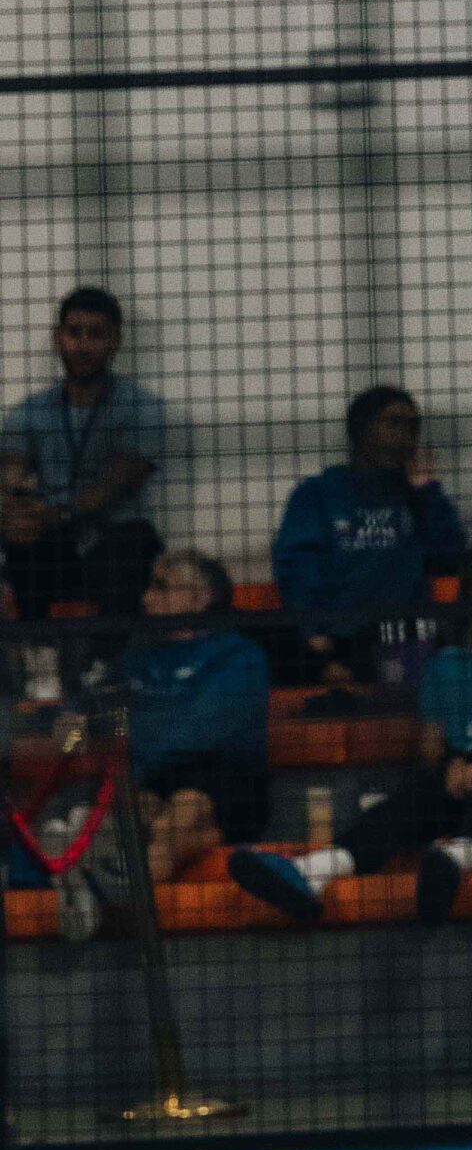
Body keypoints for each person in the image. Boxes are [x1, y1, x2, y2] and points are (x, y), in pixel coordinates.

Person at [232, 516, 472, 927]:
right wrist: (450, 766)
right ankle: (314, 871)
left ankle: (460, 857)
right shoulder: (447, 664)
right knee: (416, 797)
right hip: (469, 768)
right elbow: (429, 750)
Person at [0, 288, 169, 685]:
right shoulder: (31, 411)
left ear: (115, 341)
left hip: (113, 541)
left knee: (131, 543)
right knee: (22, 541)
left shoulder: (141, 408)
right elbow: (10, 472)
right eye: (75, 332)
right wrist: (14, 510)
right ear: (58, 338)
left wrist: (58, 513)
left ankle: (106, 669)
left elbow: (119, 480)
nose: (83, 344)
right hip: (53, 542)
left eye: (96, 334)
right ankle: (39, 658)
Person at [271, 386, 466, 693]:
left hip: (405, 637)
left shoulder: (417, 494)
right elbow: (298, 566)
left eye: (413, 426)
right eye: (394, 423)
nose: (406, 435)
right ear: (361, 429)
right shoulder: (319, 493)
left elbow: (450, 557)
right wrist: (312, 632)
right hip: (340, 639)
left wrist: (428, 493)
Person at [123, 548, 271, 884]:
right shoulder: (137, 658)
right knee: (122, 819)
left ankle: (128, 904)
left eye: (161, 586)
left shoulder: (239, 656)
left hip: (225, 781)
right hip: (156, 780)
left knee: (177, 818)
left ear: (200, 597)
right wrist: (73, 731)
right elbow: (96, 720)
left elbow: (203, 733)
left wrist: (137, 731)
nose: (146, 598)